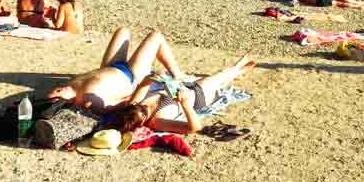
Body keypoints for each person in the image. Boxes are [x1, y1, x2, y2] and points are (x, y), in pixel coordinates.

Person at [47, 28, 184, 113]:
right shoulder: (90, 102)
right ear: (68, 103)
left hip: (110, 66)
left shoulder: (71, 85)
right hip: (132, 76)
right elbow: (125, 104)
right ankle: (178, 75)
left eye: (55, 90)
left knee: (122, 31)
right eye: (58, 94)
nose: (58, 89)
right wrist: (143, 88)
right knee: (156, 37)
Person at [111, 54, 256, 134]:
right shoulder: (157, 122)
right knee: (221, 77)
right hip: (199, 98)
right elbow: (194, 128)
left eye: (140, 105)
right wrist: (185, 105)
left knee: (219, 79)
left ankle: (235, 71)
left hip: (184, 86)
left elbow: (143, 84)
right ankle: (237, 70)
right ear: (142, 123)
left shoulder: (134, 105)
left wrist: (152, 78)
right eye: (145, 111)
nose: (145, 106)